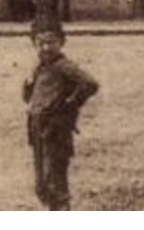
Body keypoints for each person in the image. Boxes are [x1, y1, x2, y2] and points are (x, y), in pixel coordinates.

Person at [22, 21, 100, 210]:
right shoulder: (39, 68)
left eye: (51, 42)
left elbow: (90, 84)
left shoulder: (64, 66)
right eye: (40, 43)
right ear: (34, 45)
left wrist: (70, 104)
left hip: (55, 130)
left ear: (62, 43)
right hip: (38, 128)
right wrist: (28, 82)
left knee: (55, 180)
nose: (46, 48)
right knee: (41, 184)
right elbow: (28, 98)